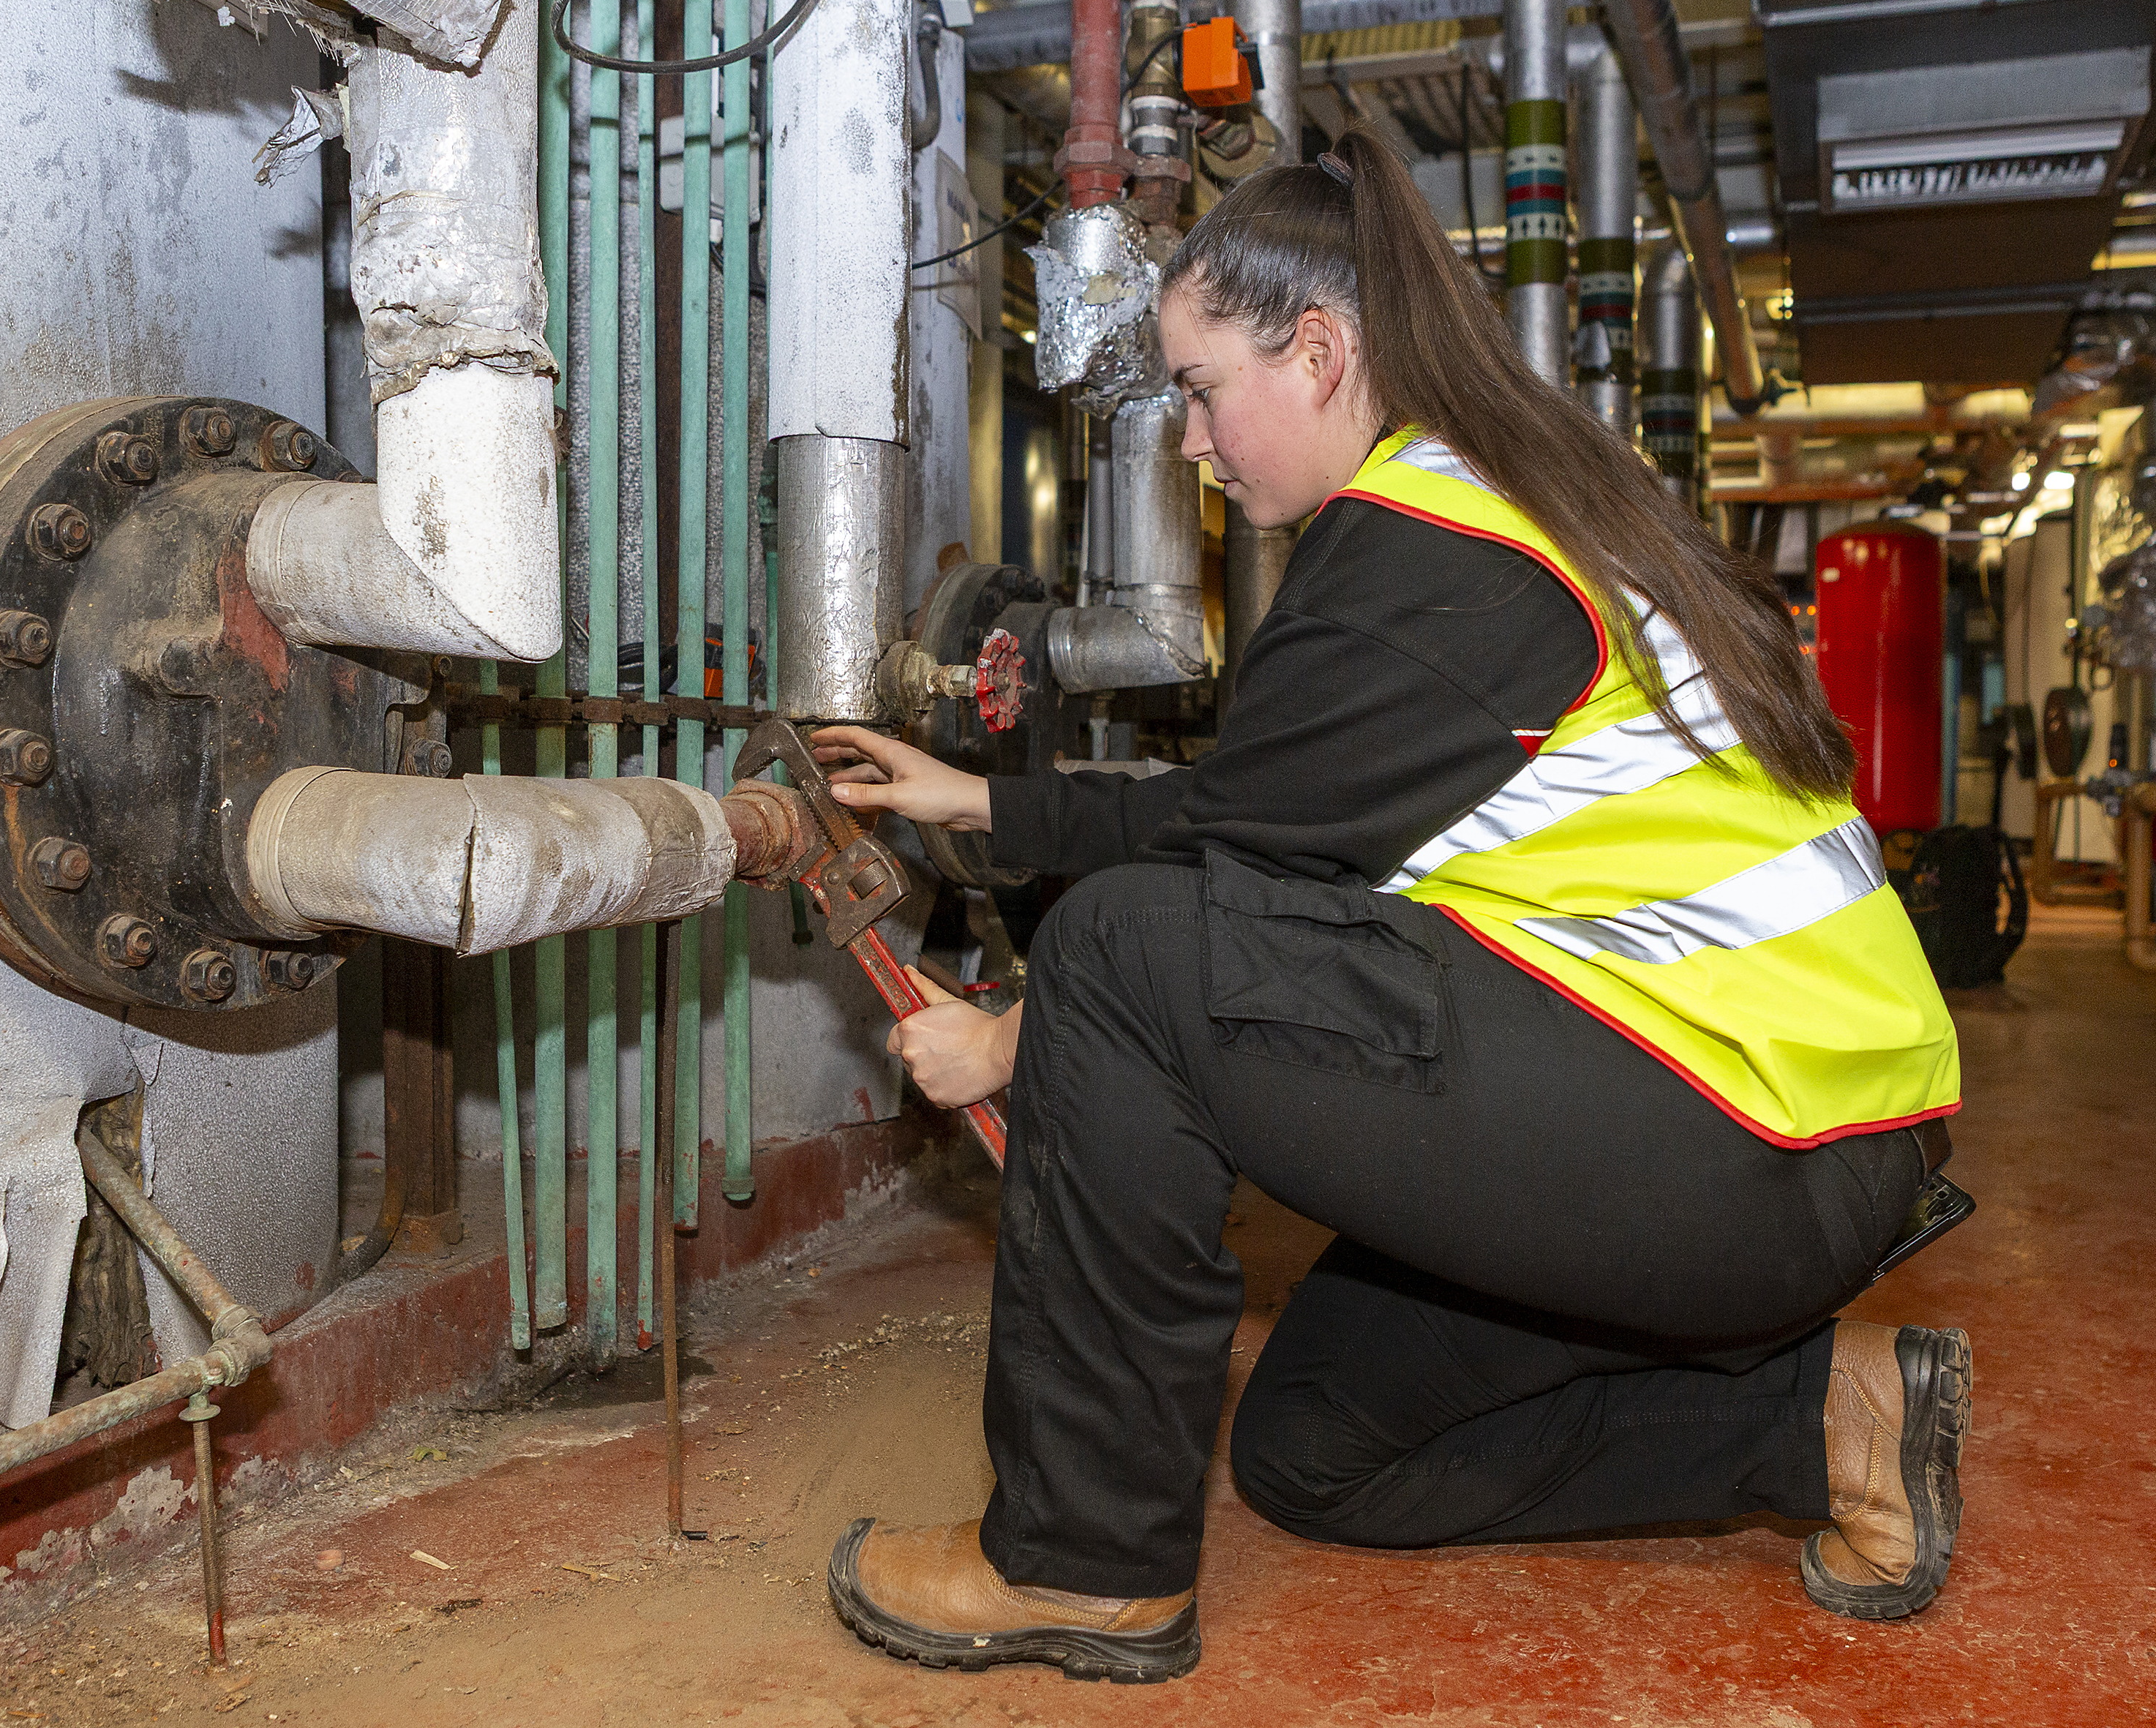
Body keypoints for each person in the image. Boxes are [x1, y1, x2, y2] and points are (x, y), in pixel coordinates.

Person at [808, 130, 1968, 1686]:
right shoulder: (1470, 506)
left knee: (1114, 951)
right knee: (1313, 1452)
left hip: (1756, 1135)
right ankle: (1824, 1425)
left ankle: (1078, 1561)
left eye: (1206, 393)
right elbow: (1257, 804)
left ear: (1323, 349)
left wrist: (1018, 1035)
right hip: (1747, 1118)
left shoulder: (1439, 562)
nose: (1199, 447)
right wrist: (979, 803)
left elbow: (1216, 872)